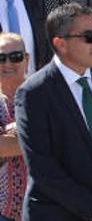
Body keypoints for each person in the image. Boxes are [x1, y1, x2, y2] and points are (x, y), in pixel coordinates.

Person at [15, 3, 92, 221]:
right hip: (57, 213)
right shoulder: (34, 93)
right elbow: (42, 167)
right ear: (60, 43)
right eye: (88, 37)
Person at [0, 33, 28, 221]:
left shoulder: (44, 94)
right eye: (1, 58)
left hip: (45, 208)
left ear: (26, 59)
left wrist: (12, 132)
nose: (8, 63)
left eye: (16, 57)